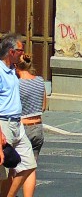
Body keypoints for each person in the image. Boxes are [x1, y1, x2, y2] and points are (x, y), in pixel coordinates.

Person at [0, 34, 37, 197]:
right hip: (3, 123)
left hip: (17, 123)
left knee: (28, 164)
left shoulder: (12, 70)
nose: (23, 54)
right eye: (20, 50)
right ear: (11, 52)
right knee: (3, 172)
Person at [15, 55, 45, 161]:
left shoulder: (17, 84)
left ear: (16, 66)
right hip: (38, 127)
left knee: (18, 165)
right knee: (32, 164)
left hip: (23, 127)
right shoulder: (40, 81)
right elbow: (43, 107)